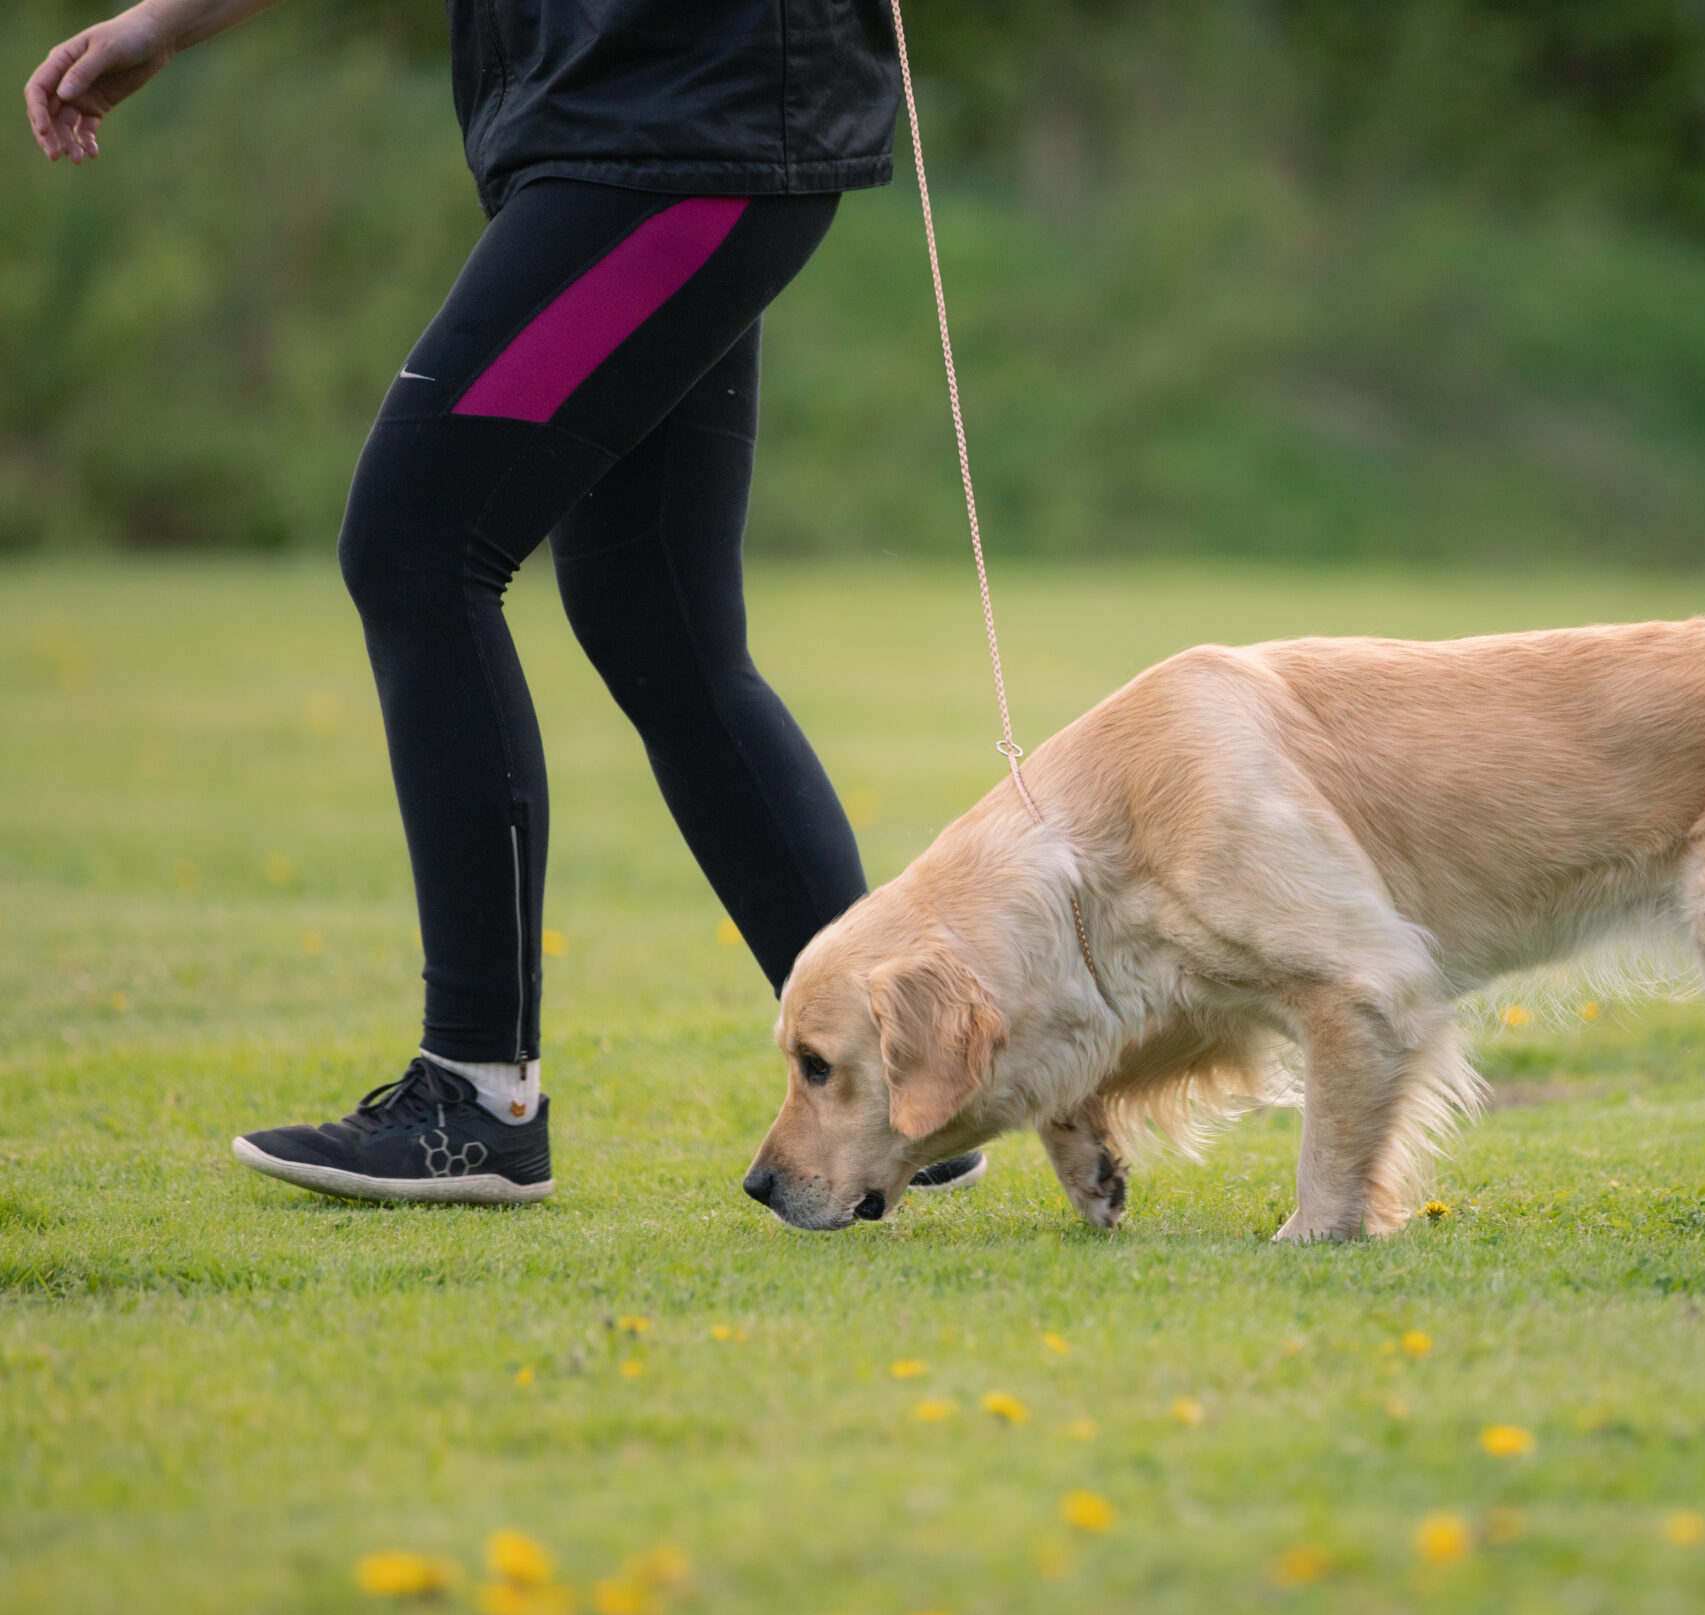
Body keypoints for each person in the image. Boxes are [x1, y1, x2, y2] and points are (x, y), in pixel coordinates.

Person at [24, 0, 988, 1205]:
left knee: (414, 544)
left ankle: (477, 1096)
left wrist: (167, 23)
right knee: (656, 621)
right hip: (661, 120)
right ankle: (902, 1077)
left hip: (671, 121)